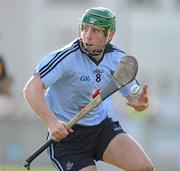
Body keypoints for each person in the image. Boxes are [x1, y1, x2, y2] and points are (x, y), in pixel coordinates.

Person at [23, 7, 155, 171]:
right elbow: (31, 89)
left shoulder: (118, 60)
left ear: (110, 34)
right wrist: (51, 122)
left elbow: (133, 96)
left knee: (144, 168)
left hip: (101, 129)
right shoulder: (66, 57)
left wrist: (138, 102)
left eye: (95, 30)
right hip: (68, 137)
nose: (87, 35)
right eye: (84, 28)